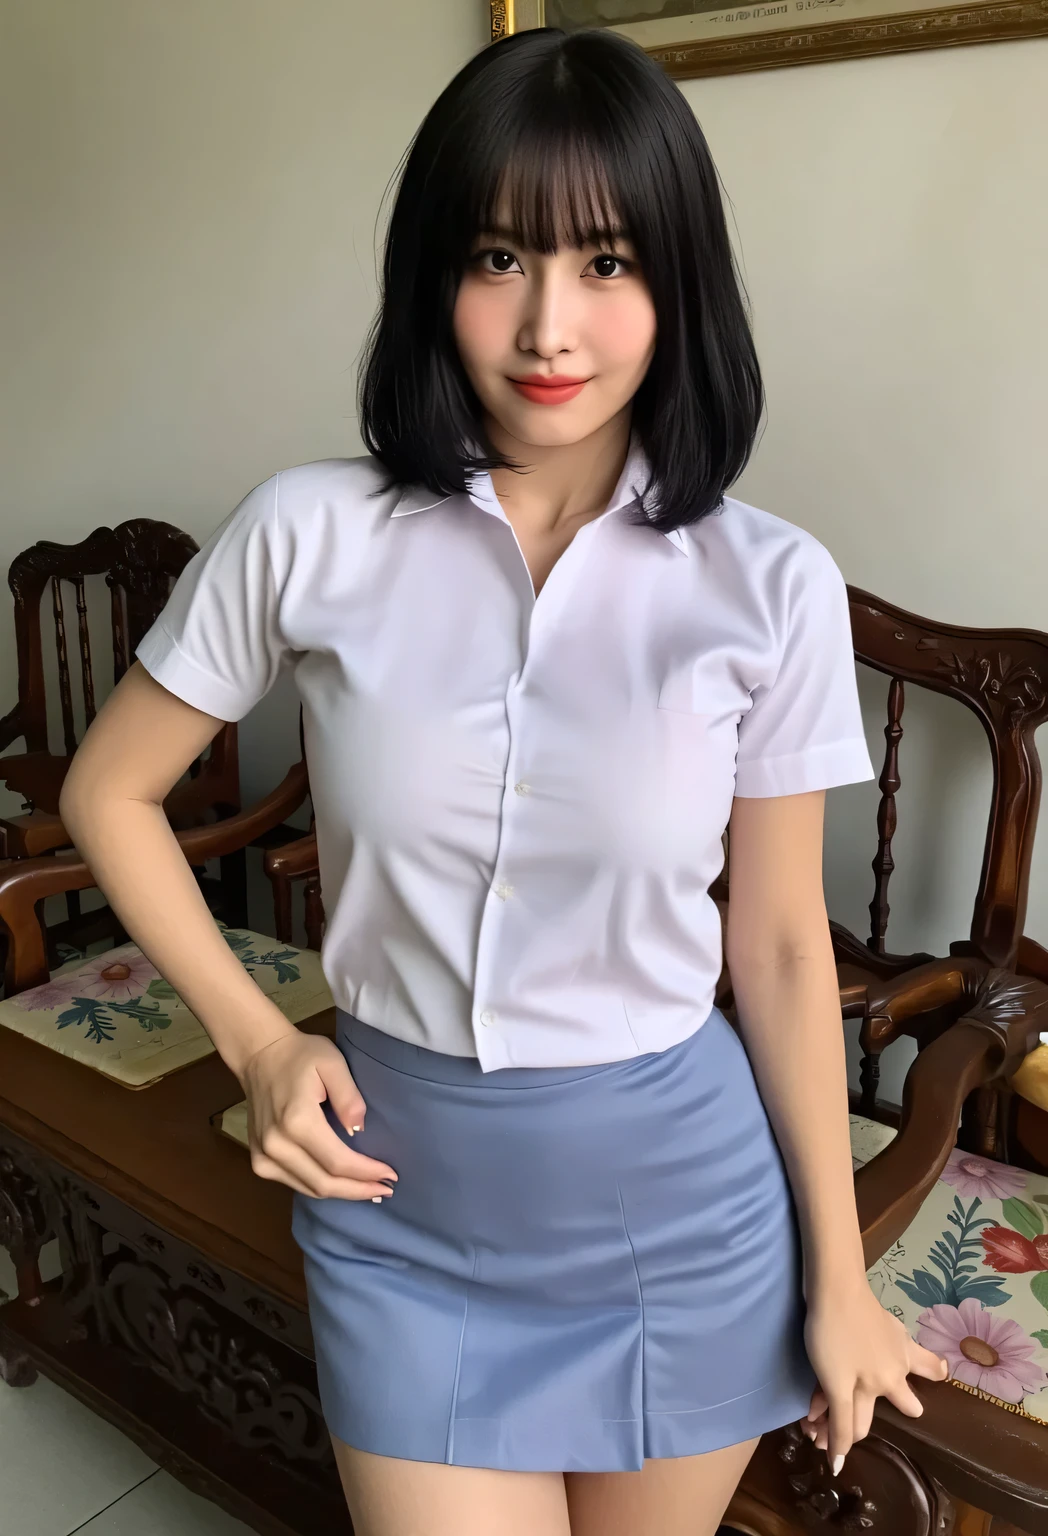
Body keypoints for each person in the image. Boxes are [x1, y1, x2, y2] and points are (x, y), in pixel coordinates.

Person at [58, 25, 950, 1536]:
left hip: (680, 1206)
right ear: (433, 276)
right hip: (401, 1205)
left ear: (680, 283)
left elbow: (784, 946)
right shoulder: (308, 532)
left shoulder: (770, 584)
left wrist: (841, 1280)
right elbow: (108, 793)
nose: (550, 324)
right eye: (497, 256)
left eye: (607, 261)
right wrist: (262, 1048)